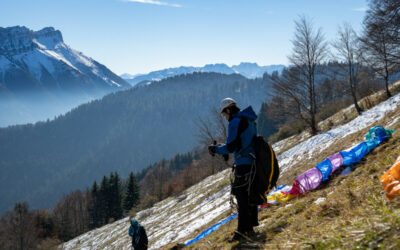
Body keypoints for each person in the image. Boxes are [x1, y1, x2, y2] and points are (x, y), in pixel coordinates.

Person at [208, 97, 258, 242]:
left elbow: (230, 147)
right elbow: (241, 142)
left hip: (243, 163)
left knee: (241, 197)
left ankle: (242, 232)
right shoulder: (248, 119)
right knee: (249, 196)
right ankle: (250, 228)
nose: (225, 118)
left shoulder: (235, 122)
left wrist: (216, 149)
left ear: (228, 110)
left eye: (225, 114)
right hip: (253, 161)